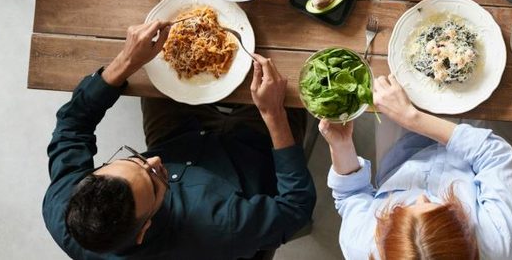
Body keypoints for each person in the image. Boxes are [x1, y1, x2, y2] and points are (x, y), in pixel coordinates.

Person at [43, 21, 316, 258]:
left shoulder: (62, 207)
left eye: (133, 160)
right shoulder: (219, 229)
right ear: (144, 230)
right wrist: (273, 113)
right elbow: (296, 208)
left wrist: (125, 61)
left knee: (162, 63)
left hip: (176, 138)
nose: (154, 160)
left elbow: (72, 126)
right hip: (251, 154)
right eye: (153, 179)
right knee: (291, 69)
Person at [321, 74, 512, 259]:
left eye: (399, 210)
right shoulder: (497, 244)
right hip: (484, 162)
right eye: (439, 206)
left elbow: (350, 196)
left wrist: (341, 146)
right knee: (506, 88)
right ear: (465, 236)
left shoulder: (360, 247)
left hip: (404, 155)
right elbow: (494, 154)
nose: (421, 197)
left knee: (388, 84)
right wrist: (412, 118)